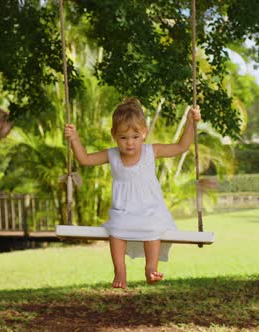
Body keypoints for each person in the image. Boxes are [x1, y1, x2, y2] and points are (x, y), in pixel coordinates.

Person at [64, 98, 201, 289]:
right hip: (123, 210)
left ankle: (151, 268)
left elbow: (181, 147)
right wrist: (74, 138)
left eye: (135, 137)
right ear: (114, 135)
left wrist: (190, 122)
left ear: (144, 133)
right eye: (123, 137)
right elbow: (85, 159)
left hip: (150, 209)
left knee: (152, 228)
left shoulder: (151, 152)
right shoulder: (111, 155)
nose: (130, 143)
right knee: (116, 230)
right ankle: (120, 270)